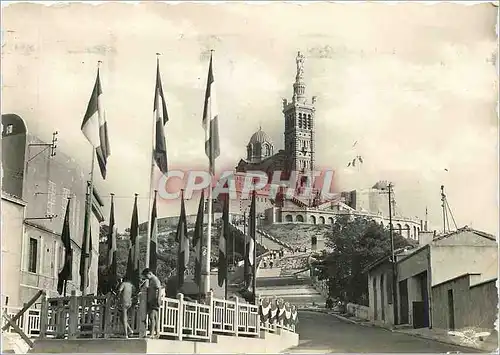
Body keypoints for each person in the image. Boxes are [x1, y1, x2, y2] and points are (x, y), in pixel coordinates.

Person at [142, 268, 161, 339]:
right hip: (151, 300)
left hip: (154, 300)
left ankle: (152, 334)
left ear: (149, 273)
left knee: (152, 317)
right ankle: (157, 333)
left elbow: (159, 288)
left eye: (146, 276)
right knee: (155, 317)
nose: (146, 278)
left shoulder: (155, 280)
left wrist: (158, 299)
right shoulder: (150, 280)